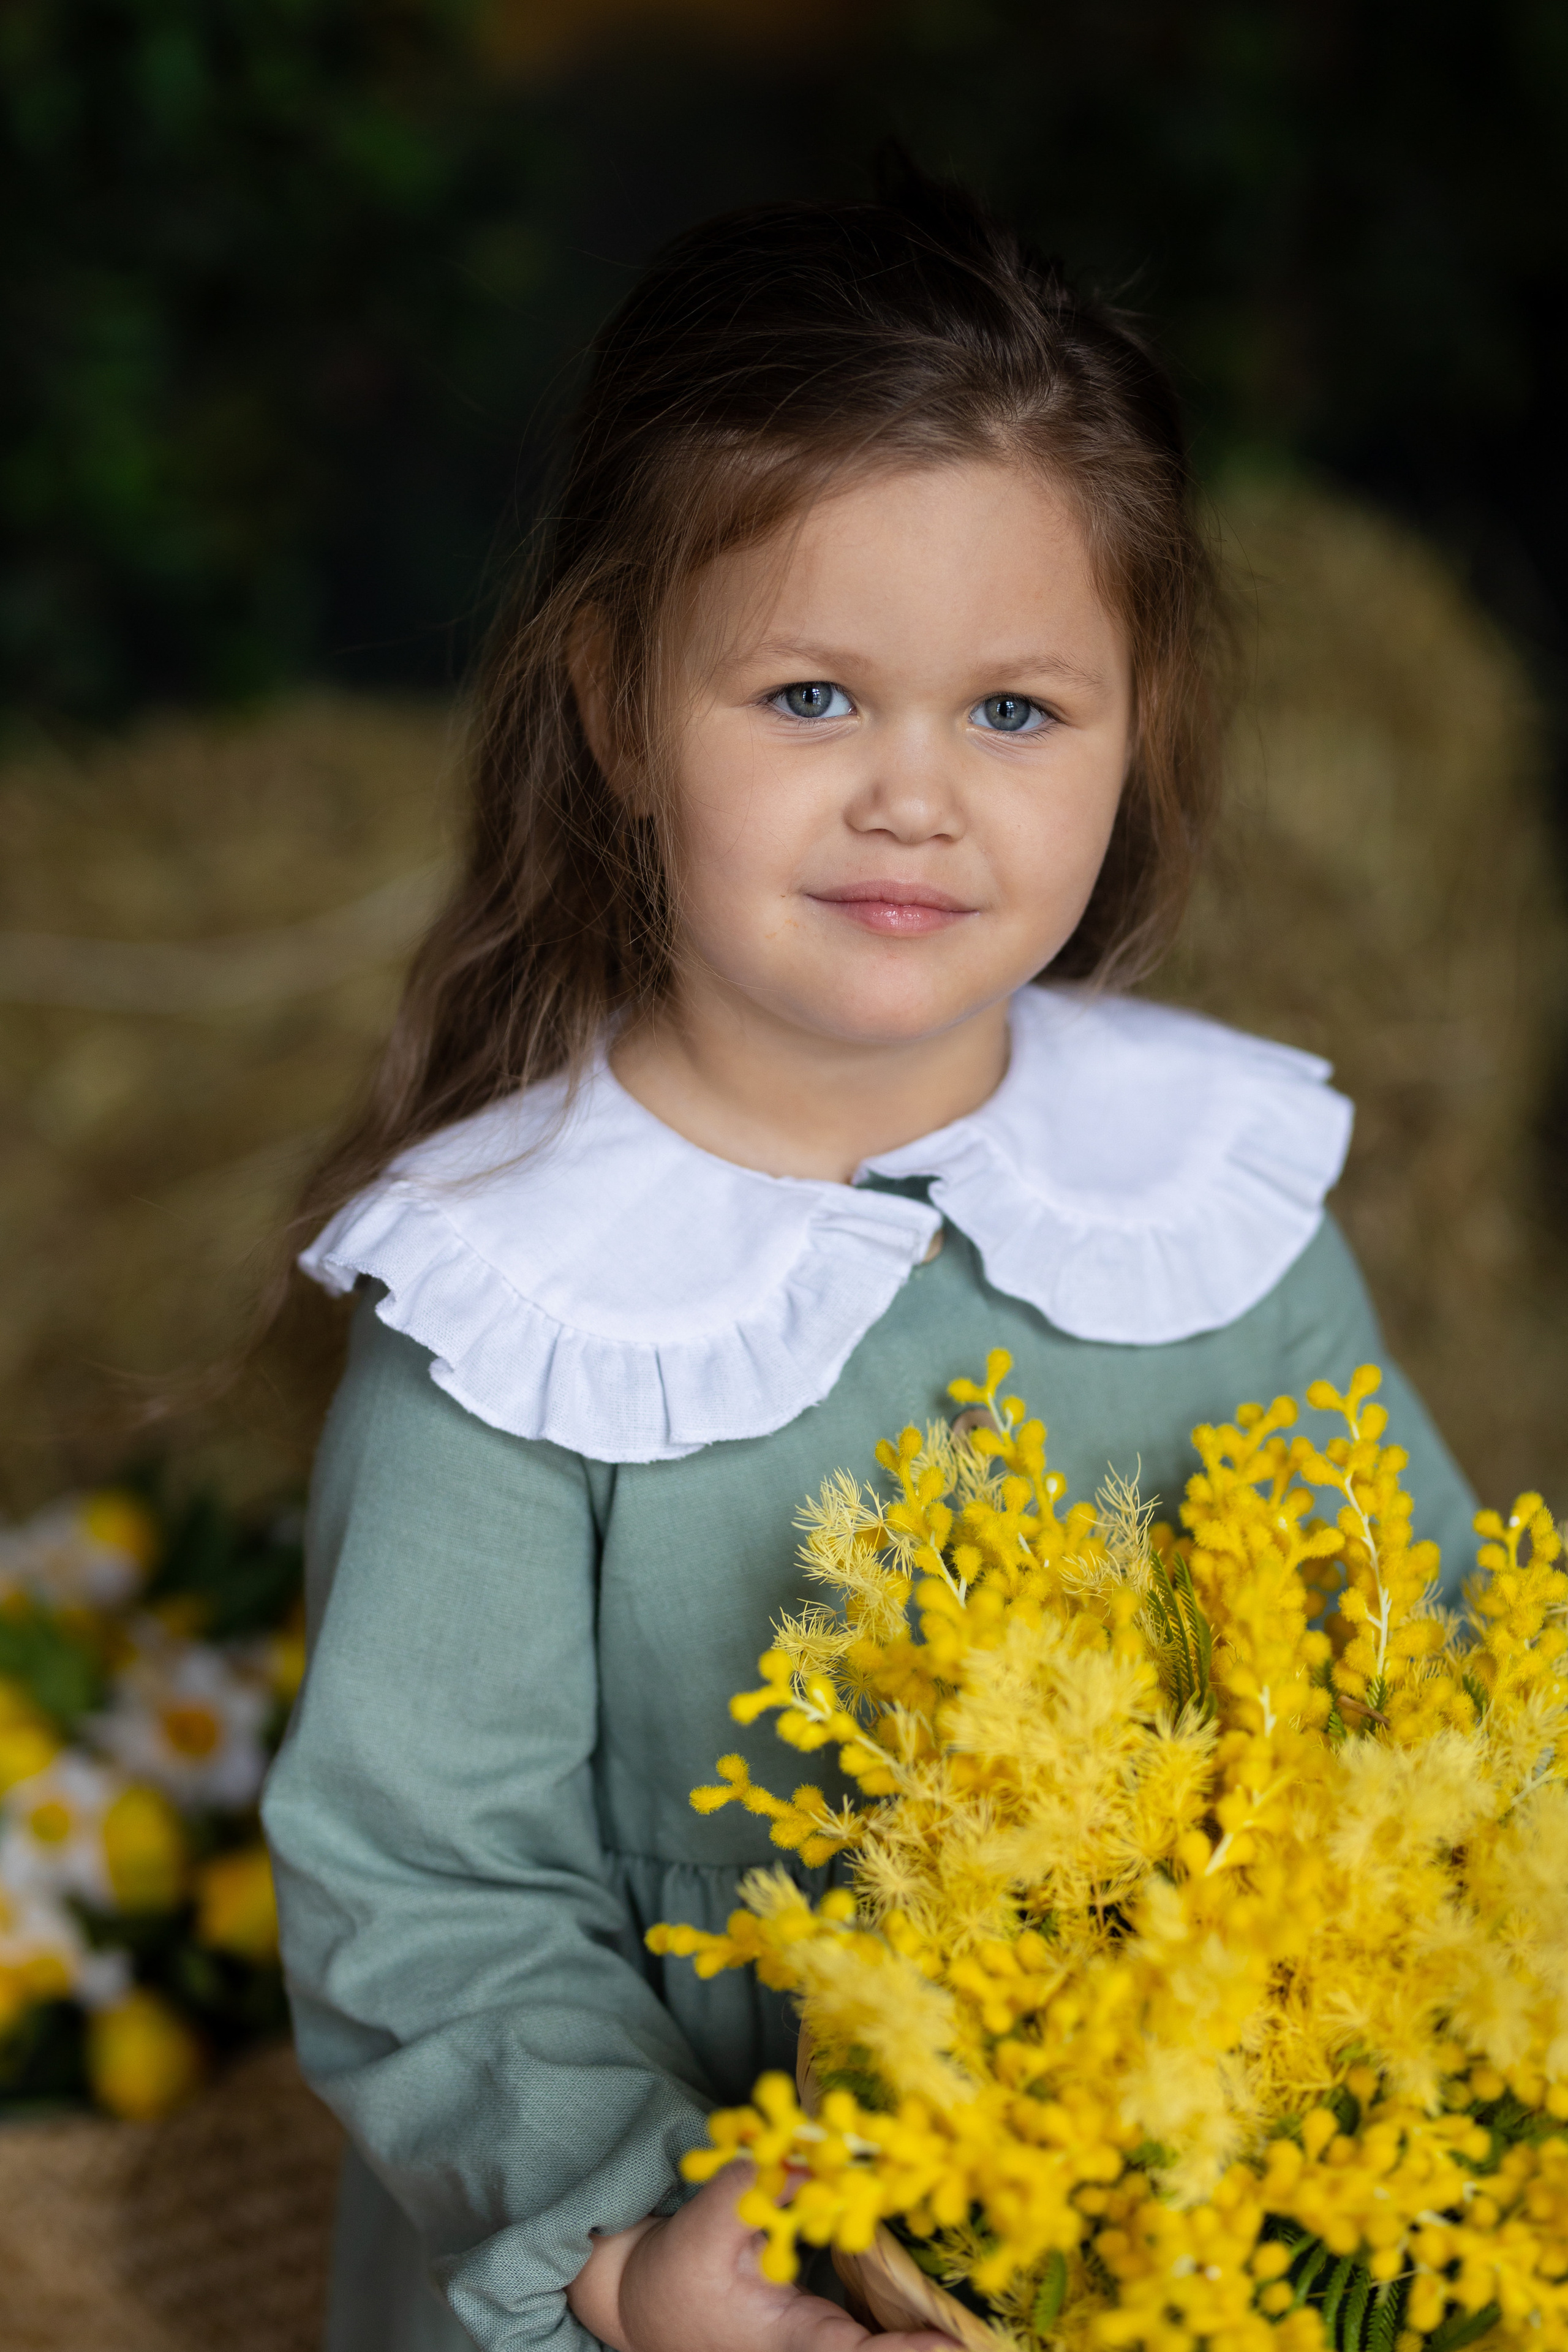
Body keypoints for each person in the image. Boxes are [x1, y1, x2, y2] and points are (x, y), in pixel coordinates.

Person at [260, 164, 1477, 2352]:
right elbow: (432, 1889)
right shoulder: (521, 1302)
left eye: (1014, 714)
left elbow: (1435, 1674)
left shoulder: (1205, 1195)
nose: (917, 797)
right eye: (812, 698)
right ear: (623, 711)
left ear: (1138, 731)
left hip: (1170, 2234)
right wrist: (633, 2257)